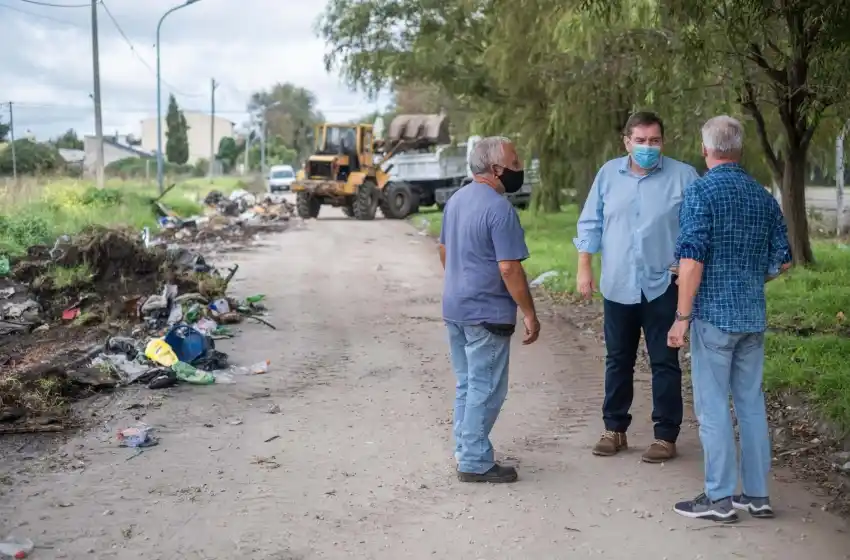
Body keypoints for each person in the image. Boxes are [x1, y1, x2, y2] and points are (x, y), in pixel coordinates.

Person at [668, 115, 792, 522]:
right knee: (751, 404)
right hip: (752, 316)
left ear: (706, 151)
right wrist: (750, 279)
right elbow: (783, 261)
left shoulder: (700, 193)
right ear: (739, 150)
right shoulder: (763, 196)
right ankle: (757, 495)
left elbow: (691, 261)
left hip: (713, 318)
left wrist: (682, 317)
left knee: (713, 407)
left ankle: (719, 498)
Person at [574, 111, 700, 463]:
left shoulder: (683, 177)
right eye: (640, 140)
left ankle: (665, 436)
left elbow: (695, 228)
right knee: (618, 359)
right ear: (626, 141)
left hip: (663, 285)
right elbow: (591, 222)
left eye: (654, 141)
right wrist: (584, 265)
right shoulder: (607, 175)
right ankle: (614, 429)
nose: (648, 147)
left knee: (664, 361)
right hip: (618, 284)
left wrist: (681, 270)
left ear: (663, 142)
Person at [439, 136, 540, 484]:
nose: (519, 167)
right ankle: (474, 460)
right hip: (487, 312)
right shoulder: (499, 209)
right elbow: (509, 268)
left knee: (467, 383)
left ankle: (465, 447)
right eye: (515, 162)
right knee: (486, 387)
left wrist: (460, 279)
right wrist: (529, 312)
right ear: (496, 169)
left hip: (455, 306)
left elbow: (443, 251)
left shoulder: (456, 201)